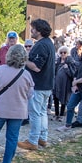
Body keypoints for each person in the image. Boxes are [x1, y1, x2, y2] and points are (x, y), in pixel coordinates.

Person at [18, 19, 55, 152]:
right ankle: (42, 138)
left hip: (39, 85)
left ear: (38, 30)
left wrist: (24, 59)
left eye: (33, 28)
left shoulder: (41, 45)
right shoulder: (49, 43)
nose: (31, 31)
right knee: (42, 112)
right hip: (47, 84)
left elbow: (36, 67)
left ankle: (33, 140)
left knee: (35, 113)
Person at [52, 46, 77, 121]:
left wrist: (66, 69)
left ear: (67, 53)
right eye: (61, 52)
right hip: (57, 83)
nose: (63, 54)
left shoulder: (70, 62)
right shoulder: (58, 61)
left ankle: (62, 115)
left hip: (65, 83)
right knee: (55, 97)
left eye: (64, 52)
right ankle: (56, 114)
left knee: (64, 98)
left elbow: (73, 74)